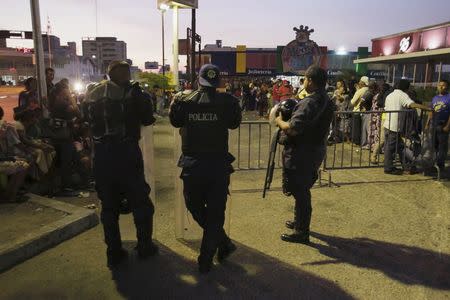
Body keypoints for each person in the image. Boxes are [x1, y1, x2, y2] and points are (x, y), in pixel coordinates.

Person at [84, 61, 157, 268]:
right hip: (125, 152)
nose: (128, 74)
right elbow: (147, 118)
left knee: (109, 206)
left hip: (101, 154)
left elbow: (85, 119)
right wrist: (140, 96)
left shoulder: (93, 93)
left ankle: (113, 252)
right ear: (119, 74)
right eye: (126, 71)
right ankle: (144, 247)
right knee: (141, 202)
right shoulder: (132, 93)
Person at [169, 64, 242, 273]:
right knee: (215, 213)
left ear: (198, 80)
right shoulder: (229, 102)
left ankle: (206, 258)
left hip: (195, 164)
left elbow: (175, 122)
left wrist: (175, 101)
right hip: (217, 165)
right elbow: (234, 123)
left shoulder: (184, 101)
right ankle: (223, 243)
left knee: (195, 207)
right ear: (217, 81)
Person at [275, 66, 335, 244]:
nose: (304, 82)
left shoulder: (309, 102)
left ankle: (302, 231)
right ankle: (299, 222)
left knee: (300, 191)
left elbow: (292, 129)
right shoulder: (327, 100)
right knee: (301, 189)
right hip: (315, 150)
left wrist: (279, 121)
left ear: (311, 80)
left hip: (301, 153)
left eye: (306, 79)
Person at [383, 79, 431, 175]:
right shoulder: (402, 95)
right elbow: (412, 104)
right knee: (391, 148)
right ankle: (388, 168)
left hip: (387, 123)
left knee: (400, 147)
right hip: (394, 125)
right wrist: (428, 108)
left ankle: (407, 166)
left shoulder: (390, 95)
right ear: (406, 87)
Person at [428, 79, 450, 174]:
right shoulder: (434, 98)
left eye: (443, 85)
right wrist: (427, 124)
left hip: (443, 125)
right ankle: (433, 165)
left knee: (442, 147)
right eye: (439, 85)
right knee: (433, 146)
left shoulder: (449, 97)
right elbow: (431, 111)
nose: (441, 87)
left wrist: (448, 126)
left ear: (447, 86)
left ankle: (440, 167)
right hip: (434, 125)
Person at [350, 76, 369, 145]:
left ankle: (356, 142)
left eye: (360, 81)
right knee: (362, 129)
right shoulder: (368, 90)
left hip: (357, 111)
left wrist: (357, 91)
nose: (358, 83)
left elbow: (352, 102)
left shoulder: (359, 91)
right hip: (364, 112)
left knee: (356, 129)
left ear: (363, 83)